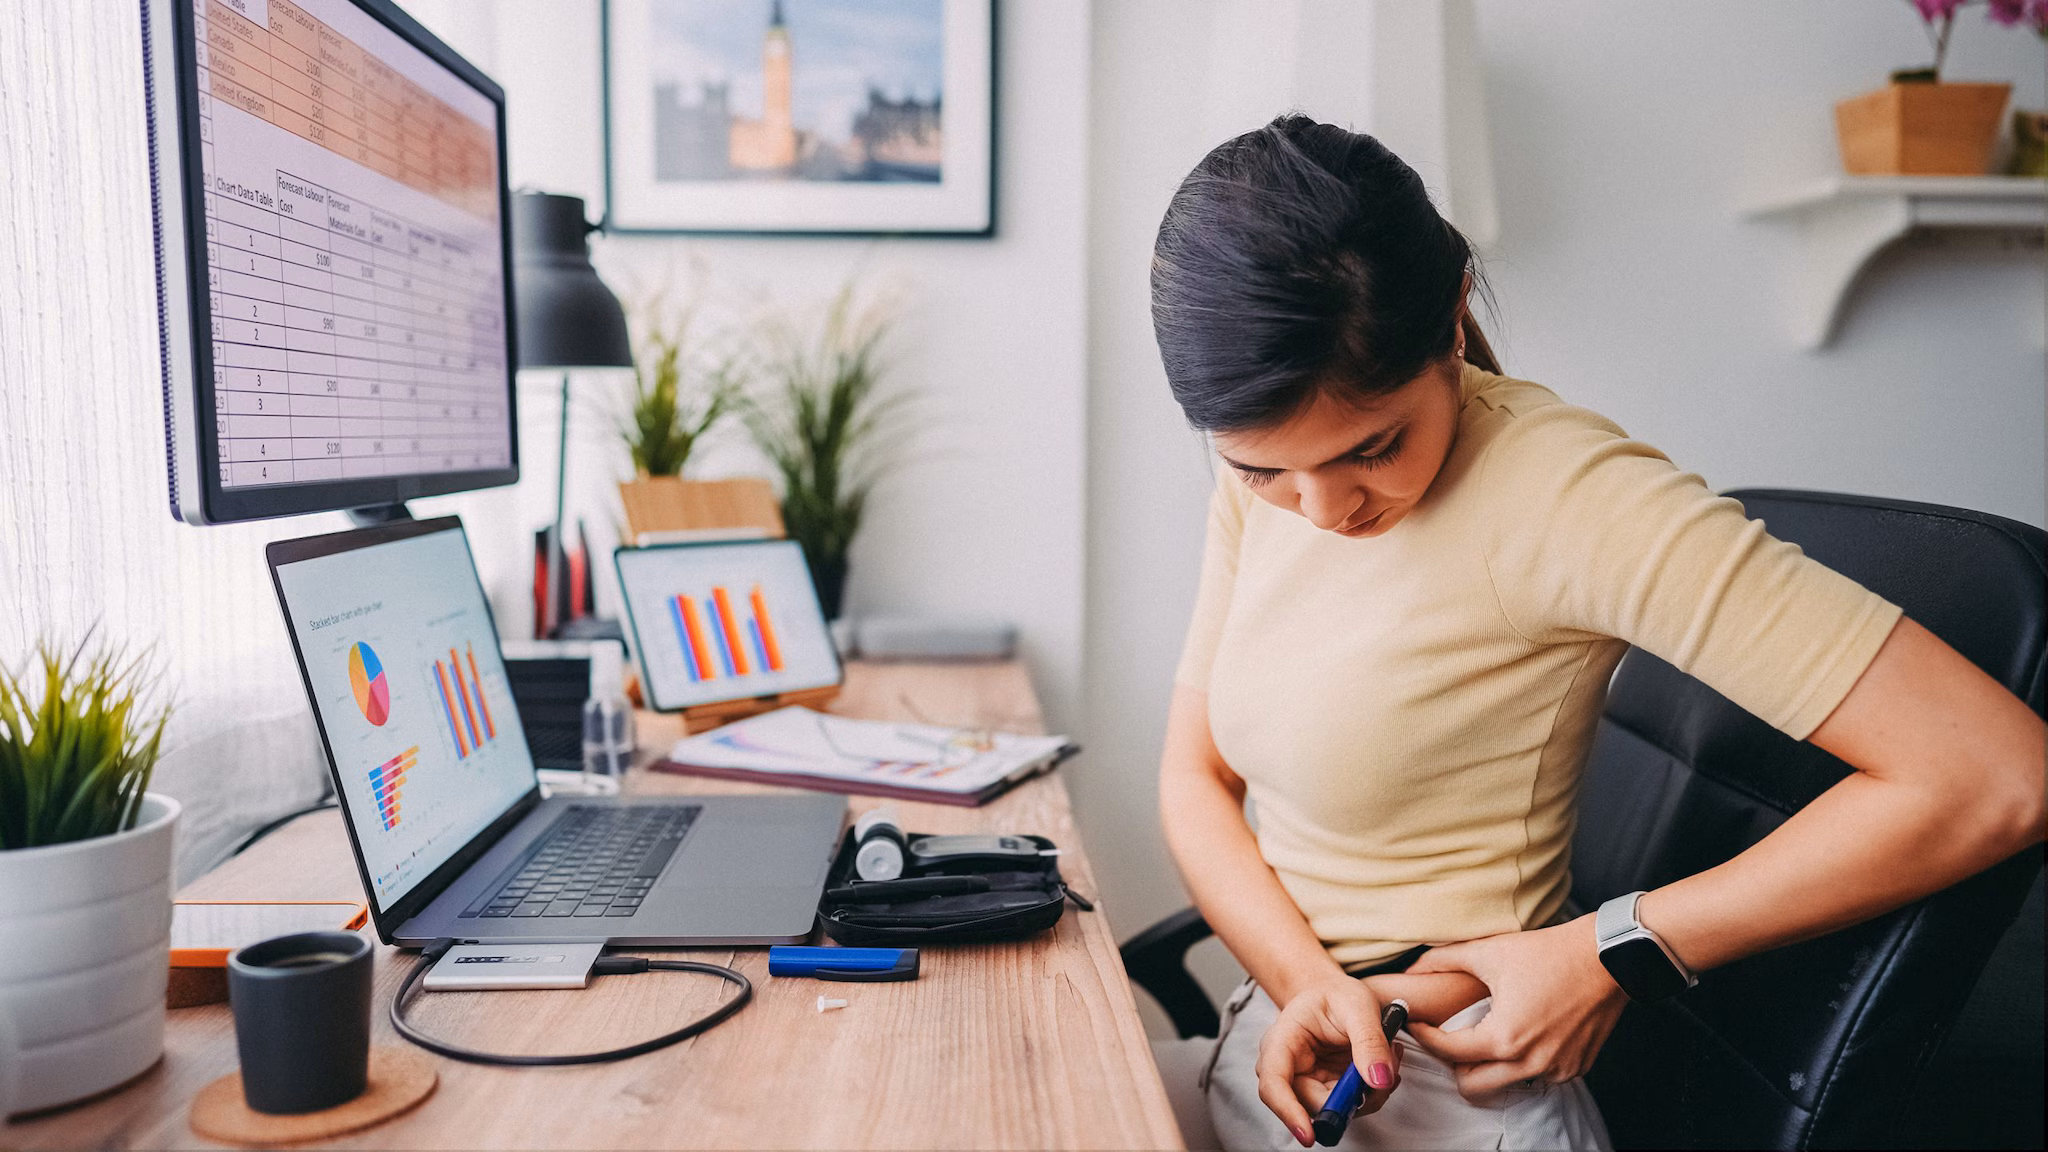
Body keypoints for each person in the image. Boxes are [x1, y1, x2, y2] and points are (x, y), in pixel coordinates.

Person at [1150, 115, 2047, 1151]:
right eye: (1262, 467)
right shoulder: (1267, 477)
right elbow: (1194, 777)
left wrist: (1617, 949)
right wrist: (1306, 984)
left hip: (1448, 1090)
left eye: (1374, 448)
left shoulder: (1569, 497)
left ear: (1451, 320)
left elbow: (1997, 774)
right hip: (1288, 1034)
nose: (1319, 509)